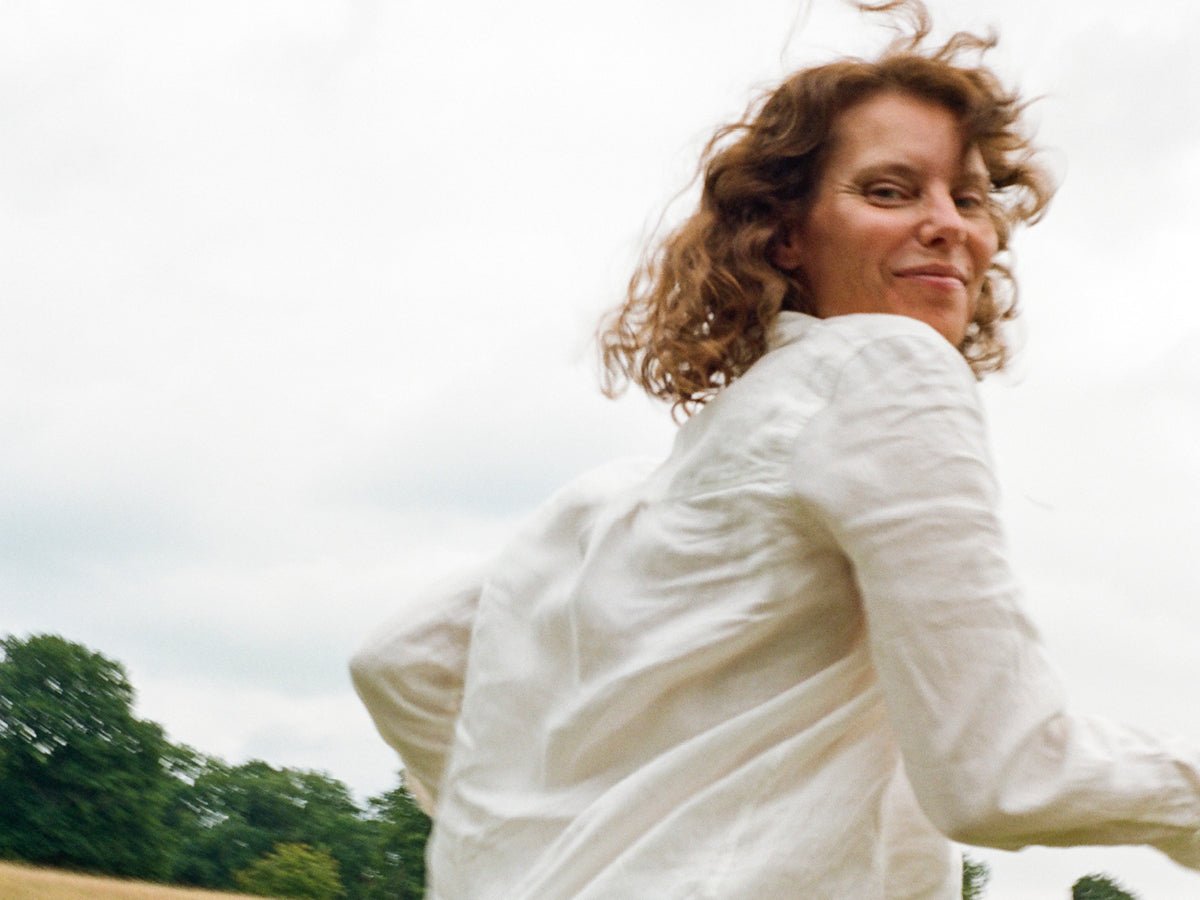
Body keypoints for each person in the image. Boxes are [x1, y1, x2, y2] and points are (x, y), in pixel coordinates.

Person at [351, 2, 1200, 896]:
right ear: (787, 232)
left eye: (972, 196)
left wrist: (557, 834)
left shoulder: (608, 503)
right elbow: (1002, 774)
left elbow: (404, 662)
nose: (952, 224)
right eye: (890, 190)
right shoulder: (890, 366)